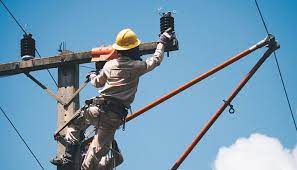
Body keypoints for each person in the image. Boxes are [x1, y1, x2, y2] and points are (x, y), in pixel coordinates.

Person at [51, 28, 174, 169]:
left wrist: (92, 75)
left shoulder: (110, 65)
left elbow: (97, 82)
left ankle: (68, 159)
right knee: (94, 154)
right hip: (112, 117)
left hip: (96, 109)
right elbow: (156, 60)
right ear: (133, 49)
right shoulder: (137, 66)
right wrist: (162, 42)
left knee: (73, 125)